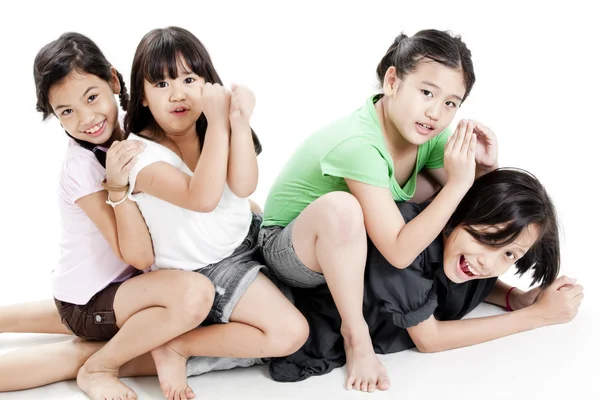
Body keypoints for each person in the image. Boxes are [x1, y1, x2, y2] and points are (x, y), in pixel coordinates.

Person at [259, 29, 497, 391]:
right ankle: (356, 337)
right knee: (345, 208)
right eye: (427, 92)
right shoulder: (360, 143)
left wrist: (483, 172)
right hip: (292, 253)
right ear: (392, 80)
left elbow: (461, 208)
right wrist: (460, 182)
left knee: (437, 193)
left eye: (451, 103)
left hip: (351, 250)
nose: (435, 112)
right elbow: (399, 253)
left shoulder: (425, 133)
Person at [269, 168, 583, 392]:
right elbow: (429, 338)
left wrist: (515, 298)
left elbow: (466, 283)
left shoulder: (467, 259)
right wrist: (538, 316)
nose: (488, 262)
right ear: (459, 213)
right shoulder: (405, 242)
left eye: (510, 255)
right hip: (286, 315)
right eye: (486, 239)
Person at [31, 32, 217, 400]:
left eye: (92, 98)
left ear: (114, 81)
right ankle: (99, 367)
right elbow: (139, 257)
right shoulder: (84, 167)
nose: (87, 119)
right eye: (66, 111)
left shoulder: (135, 131)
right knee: (196, 294)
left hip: (107, 287)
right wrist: (117, 188)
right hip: (92, 299)